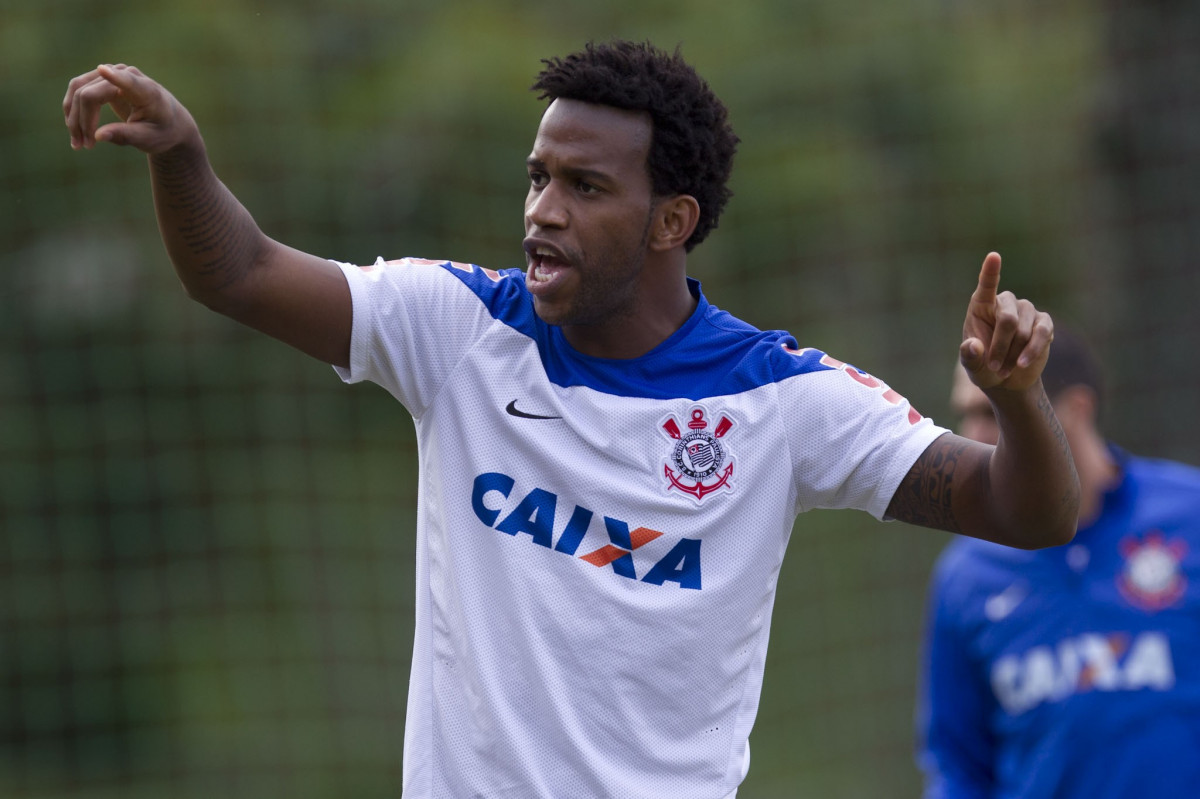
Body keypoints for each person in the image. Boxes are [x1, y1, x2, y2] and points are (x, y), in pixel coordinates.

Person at [64, 41, 1078, 799]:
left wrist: (1020, 400)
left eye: (585, 186)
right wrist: (182, 155)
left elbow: (1025, 511)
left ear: (670, 221)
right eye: (539, 176)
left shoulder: (781, 399)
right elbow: (239, 273)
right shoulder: (458, 328)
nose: (543, 208)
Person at [916, 327, 1200, 798]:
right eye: (965, 414)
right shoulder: (967, 576)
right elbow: (958, 766)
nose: (974, 437)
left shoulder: (1189, 517)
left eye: (994, 411)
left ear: (1076, 409)